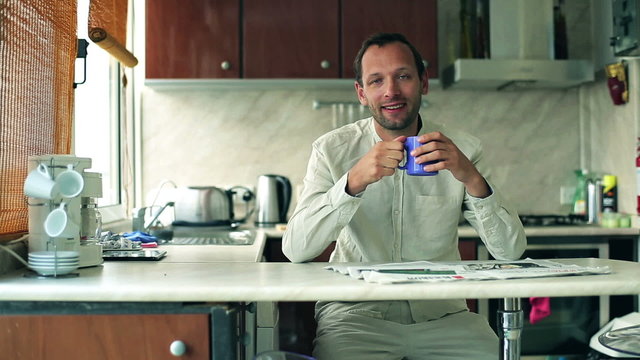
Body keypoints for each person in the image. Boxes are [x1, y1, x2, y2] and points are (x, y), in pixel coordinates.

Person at [282, 32, 526, 360]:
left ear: (423, 82)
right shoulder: (332, 150)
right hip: (355, 318)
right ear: (361, 93)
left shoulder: (463, 149)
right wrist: (352, 182)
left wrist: (468, 176)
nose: (391, 91)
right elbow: (296, 250)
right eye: (376, 81)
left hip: (445, 318)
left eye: (403, 76)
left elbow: (510, 251)